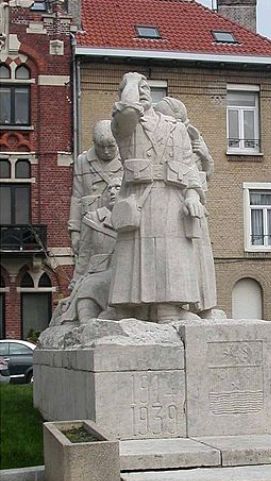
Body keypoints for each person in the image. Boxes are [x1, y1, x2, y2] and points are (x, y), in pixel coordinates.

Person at [109, 72, 213, 323]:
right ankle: (134, 310)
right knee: (136, 258)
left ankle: (168, 308)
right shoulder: (125, 126)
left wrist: (191, 196)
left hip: (172, 199)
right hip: (139, 198)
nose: (141, 90)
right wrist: (130, 83)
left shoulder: (175, 128)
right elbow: (128, 112)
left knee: (172, 255)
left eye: (145, 86)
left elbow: (188, 167)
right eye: (134, 87)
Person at [154, 97, 217, 316]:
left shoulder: (194, 137)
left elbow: (206, 174)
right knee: (176, 258)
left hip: (195, 205)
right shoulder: (159, 141)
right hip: (171, 206)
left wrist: (206, 156)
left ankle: (203, 306)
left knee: (200, 257)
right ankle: (178, 307)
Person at [59, 181, 120, 324]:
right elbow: (84, 255)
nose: (112, 191)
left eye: (117, 187)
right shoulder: (92, 219)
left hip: (123, 273)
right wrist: (75, 281)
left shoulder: (134, 218)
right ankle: (87, 324)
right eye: (109, 188)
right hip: (97, 271)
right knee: (88, 286)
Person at [68, 120, 122, 258]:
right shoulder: (83, 161)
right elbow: (77, 197)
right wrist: (75, 231)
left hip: (117, 223)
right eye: (101, 146)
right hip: (90, 225)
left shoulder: (126, 158)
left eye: (110, 146)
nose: (106, 151)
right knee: (85, 266)